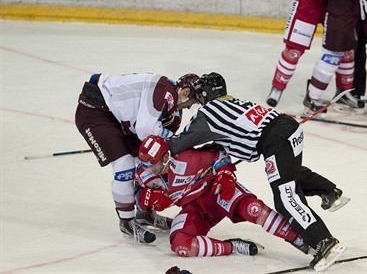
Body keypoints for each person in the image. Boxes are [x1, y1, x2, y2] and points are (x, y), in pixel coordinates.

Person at [166, 72, 345, 272]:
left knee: (285, 197)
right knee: (288, 175)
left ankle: (324, 242)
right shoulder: (232, 102)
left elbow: (177, 144)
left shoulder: (209, 114)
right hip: (287, 128)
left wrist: (152, 143)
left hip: (276, 140)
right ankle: (329, 190)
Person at [135, 135, 312, 258]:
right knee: (181, 245)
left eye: (153, 164)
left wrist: (225, 175)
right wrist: (145, 200)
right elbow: (138, 196)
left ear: (166, 156)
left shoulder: (187, 158)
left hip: (216, 193)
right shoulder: (144, 173)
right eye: (145, 164)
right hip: (194, 208)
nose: (149, 168)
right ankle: (233, 246)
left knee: (255, 210)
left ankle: (300, 239)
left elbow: (220, 157)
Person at [74, 72, 197, 244]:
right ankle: (126, 222)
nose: (190, 107)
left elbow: (156, 142)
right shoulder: (165, 91)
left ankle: (144, 213)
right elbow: (145, 129)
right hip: (95, 109)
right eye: (193, 101)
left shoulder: (172, 108)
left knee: (146, 164)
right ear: (184, 92)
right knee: (124, 166)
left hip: (115, 117)